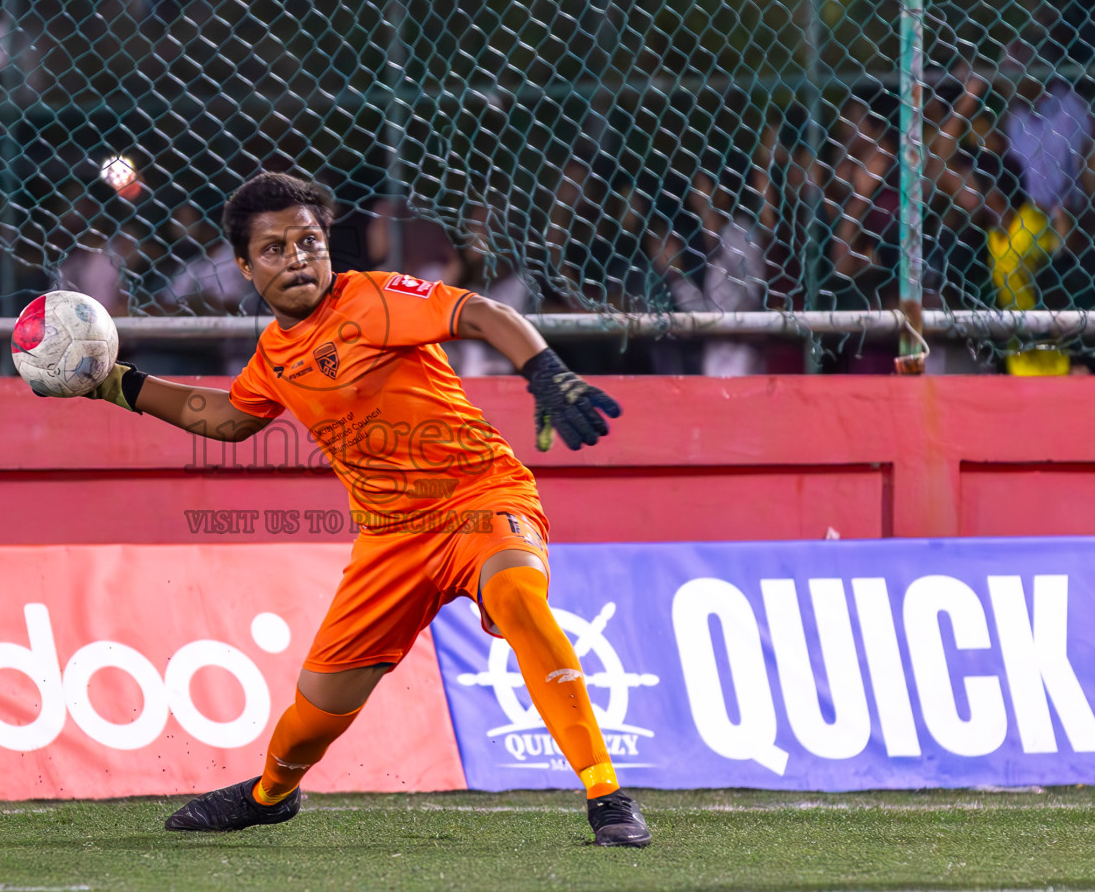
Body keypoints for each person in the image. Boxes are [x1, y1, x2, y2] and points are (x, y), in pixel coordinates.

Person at [47, 172, 650, 847]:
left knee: (517, 595)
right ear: (244, 267)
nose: (296, 257)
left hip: (481, 495)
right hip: (392, 540)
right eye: (273, 249)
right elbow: (226, 418)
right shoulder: (275, 353)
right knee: (317, 709)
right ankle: (270, 795)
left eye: (308, 241)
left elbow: (478, 313)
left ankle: (607, 795)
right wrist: (116, 386)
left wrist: (542, 369)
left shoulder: (377, 297)